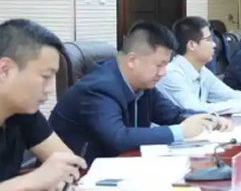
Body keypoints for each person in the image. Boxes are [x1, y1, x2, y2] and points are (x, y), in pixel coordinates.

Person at [50, 22, 226, 162]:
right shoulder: (98, 88)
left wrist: (209, 119)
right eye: (159, 65)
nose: (163, 72)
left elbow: (173, 114)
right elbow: (118, 137)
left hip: (124, 168)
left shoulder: (143, 85)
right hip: (80, 179)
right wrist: (180, 131)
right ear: (132, 60)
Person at [0, 20, 87, 191]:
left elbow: (65, 161)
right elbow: (37, 179)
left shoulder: (22, 111)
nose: (49, 89)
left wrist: (59, 178)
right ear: (5, 70)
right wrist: (33, 181)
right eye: (46, 76)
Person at [157, 16, 241, 114]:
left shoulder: (202, 71)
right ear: (191, 45)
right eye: (208, 40)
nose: (214, 45)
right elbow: (194, 109)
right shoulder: (172, 74)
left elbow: (226, 94)